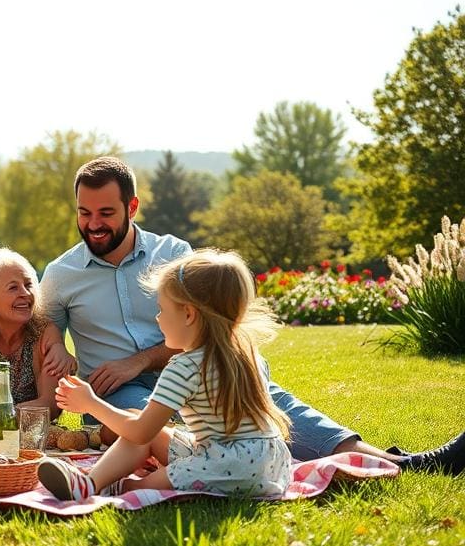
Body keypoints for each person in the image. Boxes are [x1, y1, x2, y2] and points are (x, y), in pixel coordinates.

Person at [40, 155, 465, 473]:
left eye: (105, 213)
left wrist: (139, 361)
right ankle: (229, 467)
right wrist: (57, 346)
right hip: (122, 396)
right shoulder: (61, 274)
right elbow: (44, 337)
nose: (93, 224)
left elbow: (212, 332)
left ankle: (400, 464)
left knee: (270, 404)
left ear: (132, 208)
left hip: (207, 371)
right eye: (84, 213)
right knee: (141, 422)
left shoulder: (175, 256)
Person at [39, 248, 292, 500]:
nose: (158, 319)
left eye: (161, 310)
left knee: (135, 484)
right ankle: (93, 482)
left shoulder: (185, 367)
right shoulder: (247, 355)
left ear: (189, 314)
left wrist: (91, 403)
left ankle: (97, 485)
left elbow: (140, 432)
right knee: (141, 423)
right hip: (271, 465)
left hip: (228, 466)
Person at [0, 247, 72, 419]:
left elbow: (50, 406)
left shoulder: (46, 334)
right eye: (13, 288)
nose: (25, 293)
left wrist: (1, 422)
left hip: (32, 437)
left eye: (28, 284)